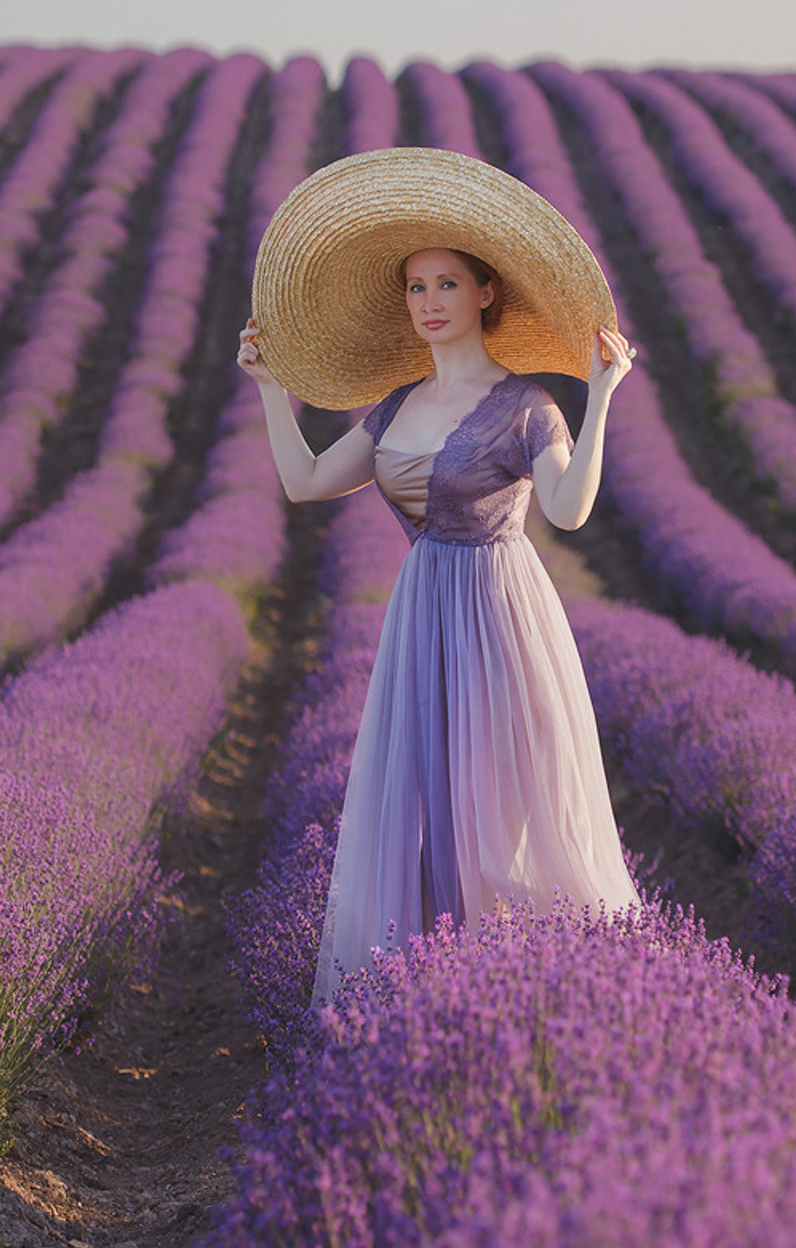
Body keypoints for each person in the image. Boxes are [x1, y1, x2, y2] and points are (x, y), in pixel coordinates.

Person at [237, 148, 643, 1004]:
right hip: (422, 617)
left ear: (486, 292)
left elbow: (567, 509)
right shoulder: (394, 407)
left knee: (504, 818)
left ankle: (546, 998)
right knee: (430, 811)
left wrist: (600, 396)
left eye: (447, 285)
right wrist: (273, 388)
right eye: (417, 288)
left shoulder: (529, 405)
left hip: (499, 617)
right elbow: (305, 482)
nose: (429, 303)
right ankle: (436, 1003)